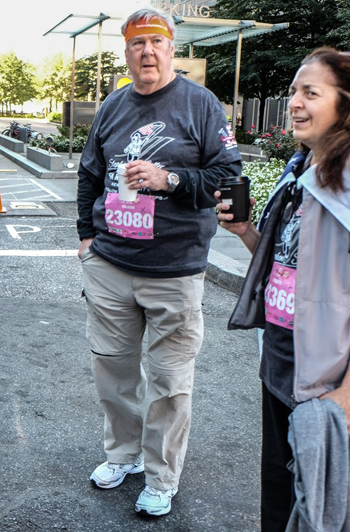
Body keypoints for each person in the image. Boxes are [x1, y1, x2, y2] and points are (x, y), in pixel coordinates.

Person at [217, 47, 350, 531]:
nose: (294, 102)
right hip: (283, 365)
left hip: (332, 382)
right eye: (293, 91)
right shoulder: (303, 173)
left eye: (311, 92)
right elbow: (288, 268)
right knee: (280, 504)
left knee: (322, 512)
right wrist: (247, 232)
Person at [77, 7, 242, 518]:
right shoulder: (111, 106)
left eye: (156, 42)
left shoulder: (202, 104)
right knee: (113, 372)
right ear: (125, 53)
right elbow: (89, 171)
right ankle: (123, 456)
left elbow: (229, 176)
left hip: (174, 269)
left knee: (169, 383)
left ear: (172, 49)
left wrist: (170, 180)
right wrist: (86, 237)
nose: (146, 52)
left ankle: (161, 475)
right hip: (111, 264)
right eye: (136, 44)